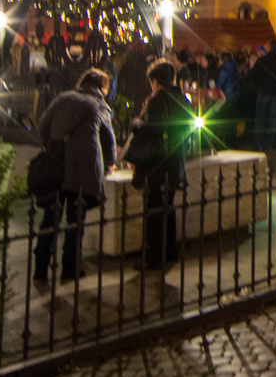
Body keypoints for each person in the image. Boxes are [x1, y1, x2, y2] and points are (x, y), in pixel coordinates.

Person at [32, 68, 118, 281]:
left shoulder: (63, 98)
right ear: (102, 87)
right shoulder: (99, 105)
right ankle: (70, 269)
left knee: (49, 219)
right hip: (82, 170)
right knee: (75, 221)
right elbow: (107, 138)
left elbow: (42, 127)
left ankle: (40, 269)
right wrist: (111, 163)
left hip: (57, 168)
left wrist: (54, 147)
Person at [127, 61, 193, 269]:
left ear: (156, 82)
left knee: (154, 209)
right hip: (176, 161)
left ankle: (154, 257)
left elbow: (152, 129)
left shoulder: (158, 101)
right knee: (169, 207)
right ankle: (170, 251)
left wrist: (138, 124)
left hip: (158, 163)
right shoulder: (184, 100)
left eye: (152, 82)